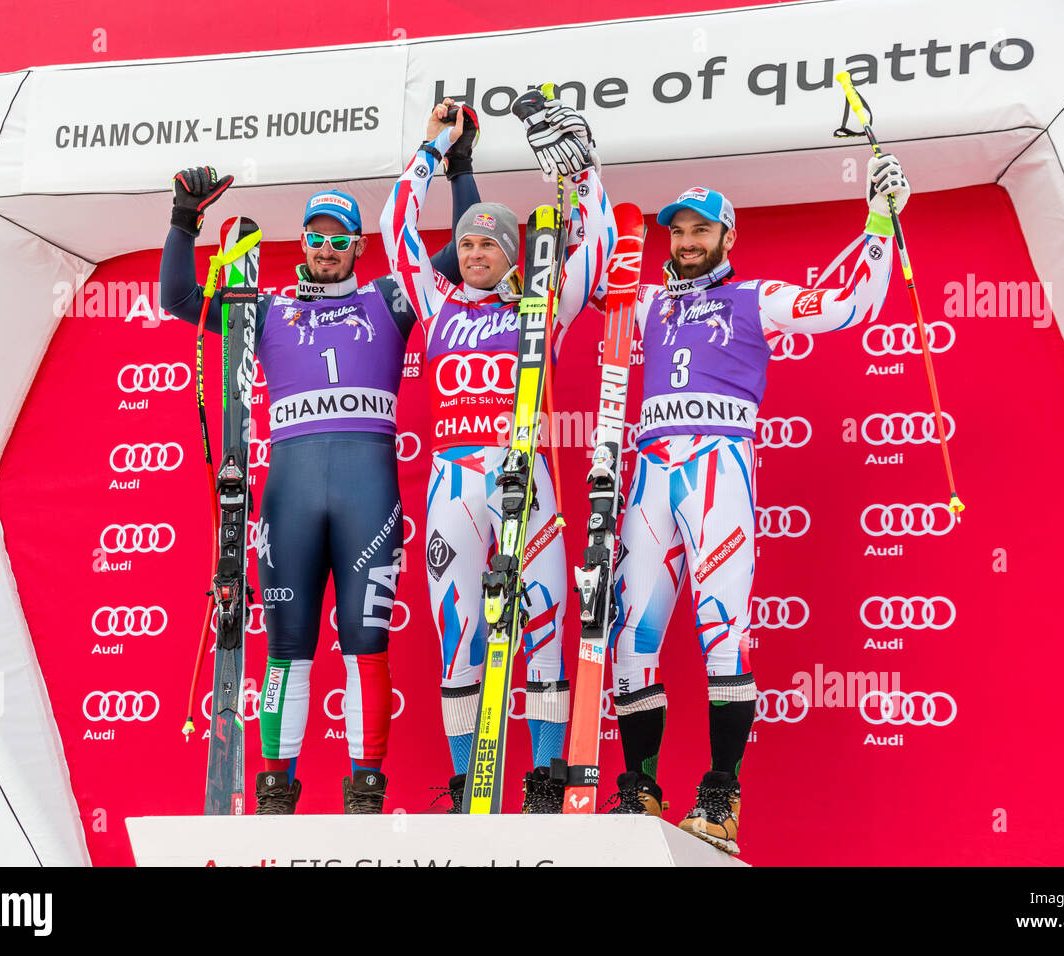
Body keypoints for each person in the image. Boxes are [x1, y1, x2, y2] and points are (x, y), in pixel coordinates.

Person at [158, 104, 481, 814]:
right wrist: (184, 219)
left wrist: (460, 172)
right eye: (314, 238)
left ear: (358, 247)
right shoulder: (265, 308)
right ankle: (276, 789)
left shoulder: (392, 299)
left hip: (369, 493)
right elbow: (178, 297)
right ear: (300, 245)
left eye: (338, 239)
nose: (326, 248)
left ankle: (366, 788)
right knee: (287, 647)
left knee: (366, 643)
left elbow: (465, 255)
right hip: (291, 499)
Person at [604, 156, 911, 853]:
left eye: (699, 231)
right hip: (650, 473)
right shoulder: (644, 300)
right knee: (631, 641)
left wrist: (879, 221)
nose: (684, 242)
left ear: (727, 237)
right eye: (676, 231)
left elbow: (848, 308)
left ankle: (719, 795)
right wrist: (583, 185)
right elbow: (584, 283)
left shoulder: (758, 297)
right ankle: (641, 789)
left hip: (717, 470)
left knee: (722, 631)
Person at [381, 96, 615, 813]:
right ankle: (464, 787)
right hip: (453, 481)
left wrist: (585, 172)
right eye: (471, 244)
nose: (477, 252)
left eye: (491, 244)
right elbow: (396, 230)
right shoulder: (436, 301)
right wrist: (431, 151)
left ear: (515, 254)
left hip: (525, 476)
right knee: (459, 641)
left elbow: (600, 244)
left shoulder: (540, 306)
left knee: (543, 629)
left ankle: (545, 782)